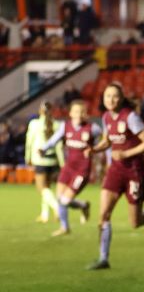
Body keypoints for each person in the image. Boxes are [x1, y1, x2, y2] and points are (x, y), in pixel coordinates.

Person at [87, 82, 144, 270]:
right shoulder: (106, 117)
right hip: (115, 171)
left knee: (135, 222)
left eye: (115, 96)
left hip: (134, 172)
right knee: (103, 215)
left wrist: (125, 154)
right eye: (107, 96)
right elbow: (108, 141)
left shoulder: (130, 117)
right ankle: (103, 258)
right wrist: (94, 149)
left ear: (121, 98)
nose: (111, 100)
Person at [39, 100, 99, 236]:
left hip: (82, 171)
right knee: (60, 198)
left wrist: (96, 150)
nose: (79, 114)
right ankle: (82, 207)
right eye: (77, 111)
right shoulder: (65, 126)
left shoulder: (93, 128)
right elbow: (54, 139)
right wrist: (43, 149)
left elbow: (104, 143)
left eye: (82, 112)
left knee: (65, 200)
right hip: (68, 168)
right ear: (71, 113)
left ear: (86, 114)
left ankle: (65, 227)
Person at [25, 102, 61, 224]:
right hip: (53, 160)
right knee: (47, 187)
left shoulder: (34, 124)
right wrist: (62, 162)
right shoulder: (57, 124)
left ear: (40, 111)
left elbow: (29, 142)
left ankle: (57, 208)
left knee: (41, 188)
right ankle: (44, 214)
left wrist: (27, 157)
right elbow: (60, 146)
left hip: (39, 159)